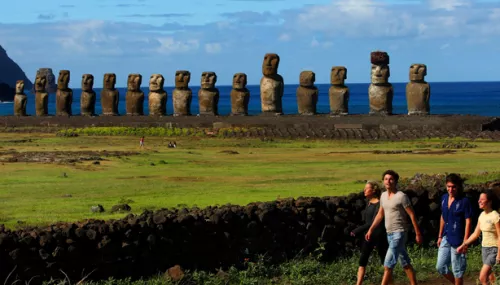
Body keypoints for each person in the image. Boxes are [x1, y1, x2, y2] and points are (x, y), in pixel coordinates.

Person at [366, 170, 422, 285]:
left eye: (391, 179)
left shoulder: (401, 196)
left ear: (396, 181)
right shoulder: (383, 196)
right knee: (405, 263)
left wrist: (418, 233)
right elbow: (380, 214)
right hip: (389, 233)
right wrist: (371, 229)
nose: (388, 181)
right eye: (386, 179)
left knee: (388, 265)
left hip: (399, 233)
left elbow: (411, 214)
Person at [436, 173, 473, 285]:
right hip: (446, 236)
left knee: (457, 270)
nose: (451, 189)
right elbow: (443, 216)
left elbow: (468, 221)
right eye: (449, 186)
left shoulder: (464, 201)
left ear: (458, 187)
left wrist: (465, 242)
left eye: (453, 187)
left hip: (458, 239)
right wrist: (440, 235)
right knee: (440, 266)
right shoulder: (444, 198)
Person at [457, 190, 500, 285]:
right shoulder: (481, 215)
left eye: (482, 199)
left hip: (494, 250)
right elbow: (475, 234)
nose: (479, 201)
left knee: (482, 277)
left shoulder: (495, 216)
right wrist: (463, 245)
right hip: (485, 249)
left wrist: (499, 254)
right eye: (479, 199)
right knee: (491, 278)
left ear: (489, 201)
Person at [351, 181, 388, 285]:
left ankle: (390, 282)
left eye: (366, 188)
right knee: (362, 261)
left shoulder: (379, 204)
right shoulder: (369, 203)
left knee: (385, 262)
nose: (364, 190)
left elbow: (372, 222)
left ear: (373, 190)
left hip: (378, 236)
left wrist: (357, 230)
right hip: (368, 236)